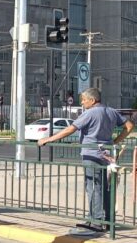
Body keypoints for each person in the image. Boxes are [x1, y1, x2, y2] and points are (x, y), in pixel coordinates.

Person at [38, 88, 134, 233]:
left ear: (93, 100)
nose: (82, 103)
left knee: (94, 188)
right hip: (107, 155)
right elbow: (129, 126)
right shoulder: (111, 111)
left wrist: (48, 139)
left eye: (84, 100)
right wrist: (115, 142)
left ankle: (96, 221)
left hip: (91, 155)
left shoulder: (90, 113)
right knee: (106, 187)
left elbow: (70, 129)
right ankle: (108, 220)